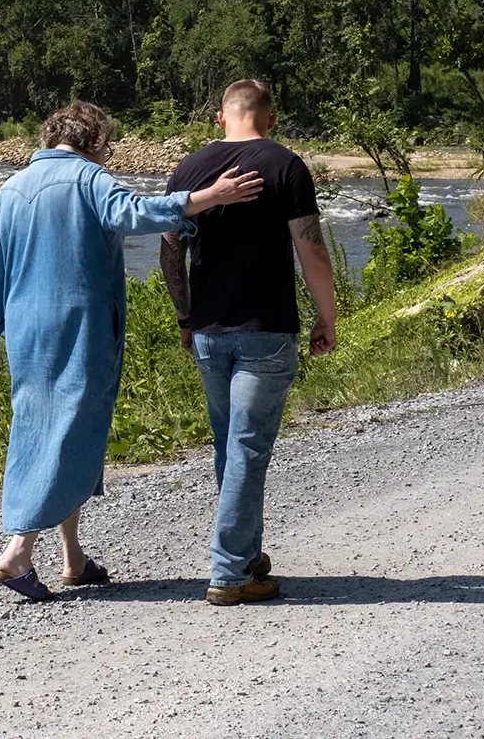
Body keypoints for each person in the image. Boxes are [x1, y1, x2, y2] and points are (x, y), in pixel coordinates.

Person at [0, 101, 264, 601]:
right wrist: (206, 198)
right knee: (70, 430)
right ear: (95, 142)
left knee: (50, 427)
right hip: (80, 326)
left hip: (26, 330)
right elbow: (133, 213)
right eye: (106, 145)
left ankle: (73, 558)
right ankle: (17, 553)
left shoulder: (13, 187)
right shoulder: (89, 179)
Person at [160, 79, 338, 607]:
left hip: (209, 331)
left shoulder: (189, 168)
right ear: (271, 117)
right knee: (247, 446)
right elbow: (312, 250)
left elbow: (169, 252)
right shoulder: (286, 165)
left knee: (231, 443)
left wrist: (185, 315)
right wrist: (327, 316)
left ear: (221, 117)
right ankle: (231, 573)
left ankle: (245, 554)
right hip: (266, 329)